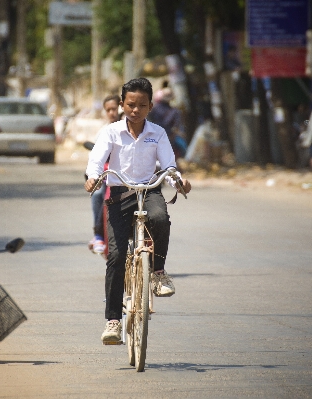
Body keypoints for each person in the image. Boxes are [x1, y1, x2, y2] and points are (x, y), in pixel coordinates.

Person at [85, 77, 192, 343]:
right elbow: (96, 161)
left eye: (141, 105)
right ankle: (112, 321)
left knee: (160, 218)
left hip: (149, 191)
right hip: (120, 195)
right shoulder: (111, 133)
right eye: (131, 104)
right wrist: (93, 177)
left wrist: (178, 181)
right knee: (116, 257)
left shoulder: (157, 133)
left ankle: (158, 273)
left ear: (150, 106)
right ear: (122, 105)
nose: (135, 110)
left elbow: (168, 166)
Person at [88, 94, 121, 256]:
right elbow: (95, 159)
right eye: (108, 110)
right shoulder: (103, 132)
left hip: (131, 176)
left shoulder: (133, 127)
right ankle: (98, 234)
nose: (111, 113)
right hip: (109, 175)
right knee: (98, 194)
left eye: (114, 109)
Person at [147, 86, 187, 159]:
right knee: (183, 148)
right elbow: (176, 127)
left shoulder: (153, 109)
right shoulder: (175, 111)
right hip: (170, 138)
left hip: (155, 137)